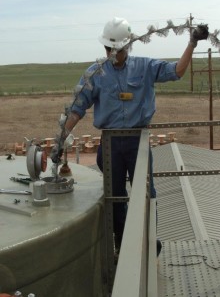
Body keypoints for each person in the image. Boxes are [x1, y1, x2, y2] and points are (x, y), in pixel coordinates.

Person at [51, 17, 208, 257]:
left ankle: (148, 245)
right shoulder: (94, 74)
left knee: (146, 195)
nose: (112, 53)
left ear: (128, 46)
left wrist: (192, 43)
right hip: (110, 144)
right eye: (108, 48)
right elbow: (76, 109)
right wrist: (60, 141)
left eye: (117, 49)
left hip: (138, 142)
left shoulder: (145, 67)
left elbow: (177, 71)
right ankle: (122, 246)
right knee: (115, 198)